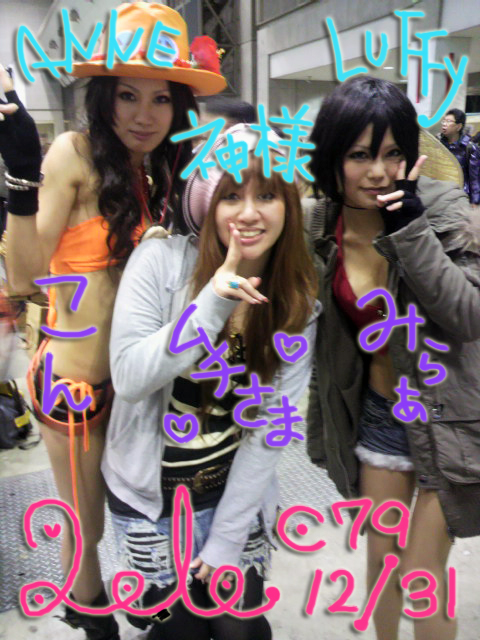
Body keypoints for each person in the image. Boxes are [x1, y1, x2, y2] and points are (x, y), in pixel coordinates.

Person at [0, 3, 226, 638]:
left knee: (142, 512)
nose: (143, 115)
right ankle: (92, 615)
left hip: (142, 385)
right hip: (75, 388)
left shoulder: (160, 169)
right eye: (128, 95)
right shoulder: (73, 153)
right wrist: (20, 180)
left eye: (160, 98)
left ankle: (142, 594)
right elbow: (24, 278)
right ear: (105, 96)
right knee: (87, 526)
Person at [102, 123, 320, 640]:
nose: (248, 213)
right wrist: (213, 302)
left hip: (231, 496)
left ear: (288, 206)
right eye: (231, 197)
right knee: (177, 633)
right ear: (207, 204)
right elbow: (130, 377)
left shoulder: (295, 304)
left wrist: (226, 537)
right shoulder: (159, 263)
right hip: (150, 503)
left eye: (266, 195)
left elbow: (270, 431)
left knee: (242, 631)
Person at [307, 76, 480, 640]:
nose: (379, 172)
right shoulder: (320, 224)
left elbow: (468, 314)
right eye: (360, 155)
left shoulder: (445, 209)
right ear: (333, 158)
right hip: (380, 413)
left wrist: (411, 231)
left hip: (449, 417)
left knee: (421, 574)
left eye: (393, 154)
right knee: (383, 565)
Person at [439, 108, 480, 207]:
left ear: (458, 126)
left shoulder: (469, 148)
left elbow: (475, 179)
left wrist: (475, 202)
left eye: (449, 121)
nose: (444, 124)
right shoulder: (438, 145)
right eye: (444, 121)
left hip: (461, 198)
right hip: (441, 196)